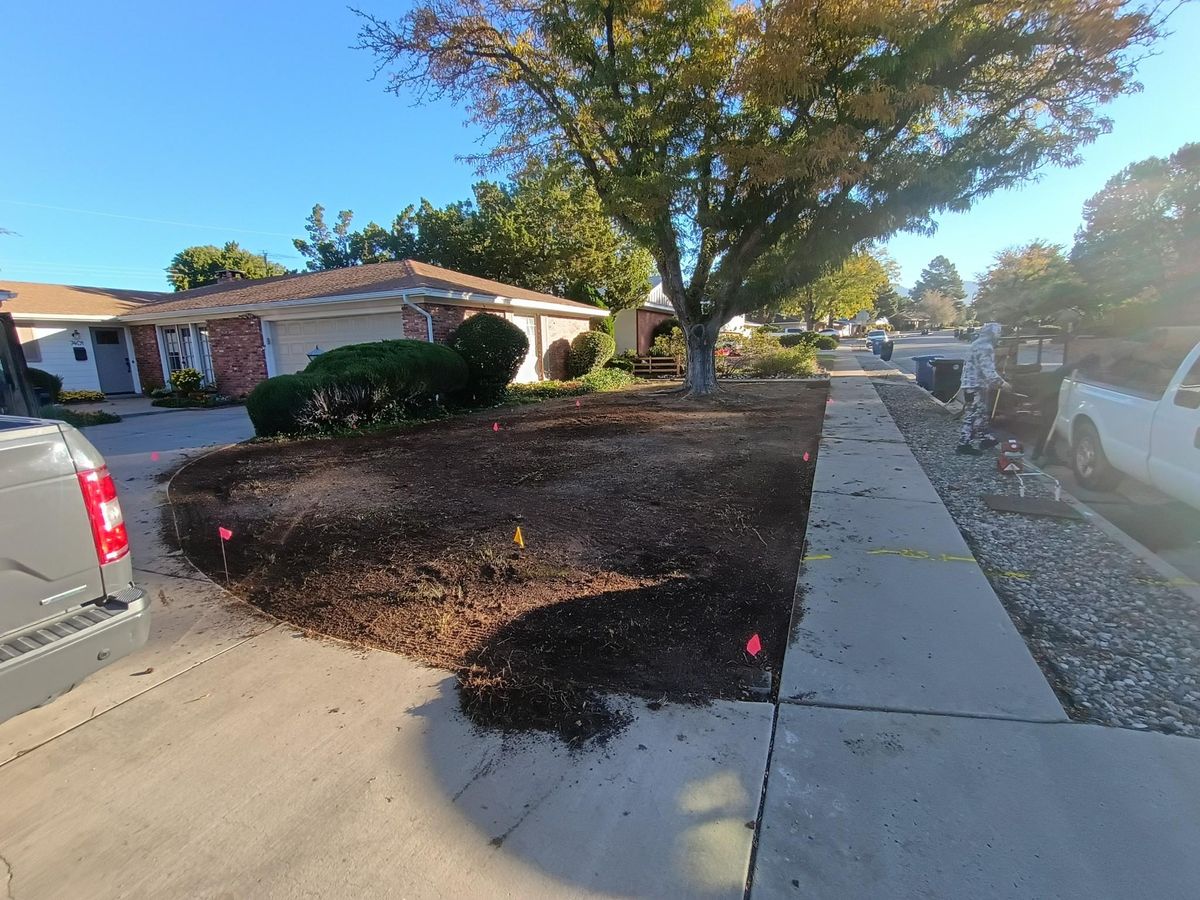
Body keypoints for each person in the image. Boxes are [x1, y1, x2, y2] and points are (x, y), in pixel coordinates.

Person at [957, 322, 1011, 455]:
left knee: (980, 413)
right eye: (998, 333)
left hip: (970, 384)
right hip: (976, 385)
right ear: (994, 334)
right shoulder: (986, 347)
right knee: (973, 414)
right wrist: (1002, 383)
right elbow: (988, 370)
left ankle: (986, 439)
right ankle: (964, 445)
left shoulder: (977, 343)